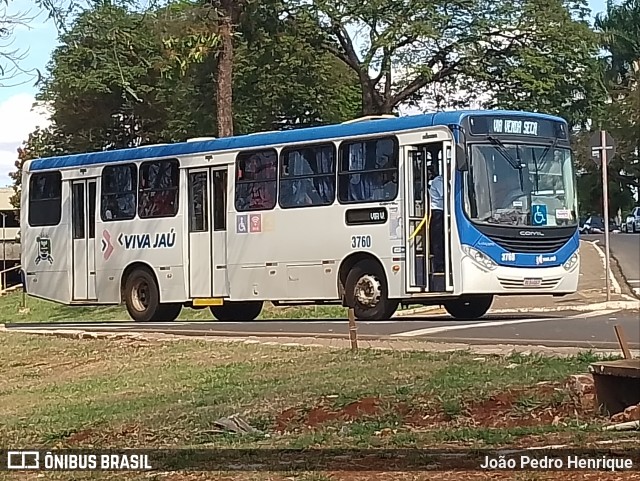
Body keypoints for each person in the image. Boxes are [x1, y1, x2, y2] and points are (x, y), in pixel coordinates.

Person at [428, 167, 445, 274]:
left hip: (443, 212)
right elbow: (446, 195)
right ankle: (439, 265)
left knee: (442, 239)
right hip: (437, 212)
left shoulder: (444, 181)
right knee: (438, 240)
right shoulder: (439, 181)